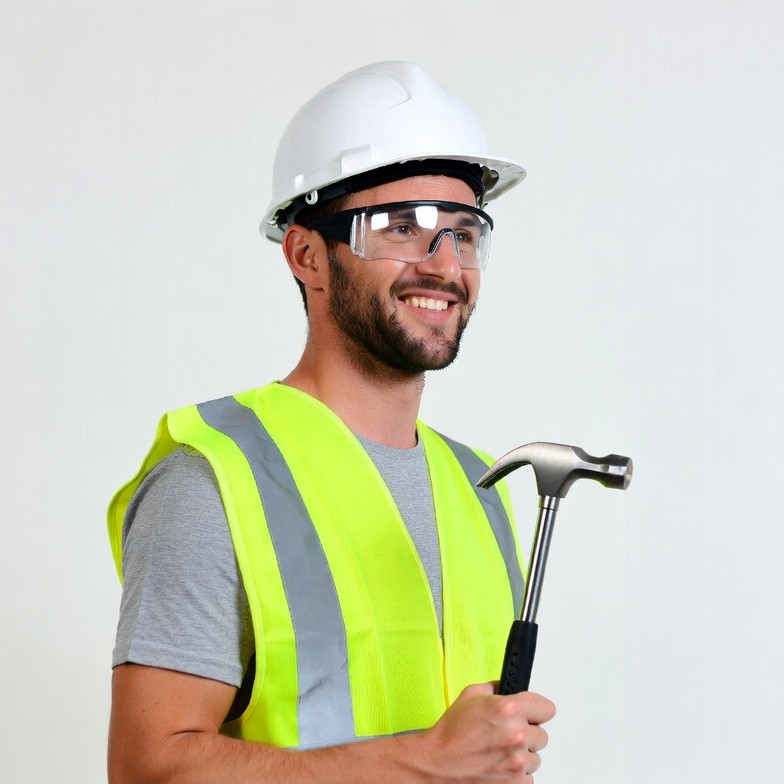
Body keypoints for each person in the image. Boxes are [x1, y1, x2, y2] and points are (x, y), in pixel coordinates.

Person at [107, 61, 556, 783]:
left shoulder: (484, 487)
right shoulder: (215, 480)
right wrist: (427, 759)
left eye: (464, 233)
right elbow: (148, 767)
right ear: (308, 255)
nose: (444, 265)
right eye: (401, 228)